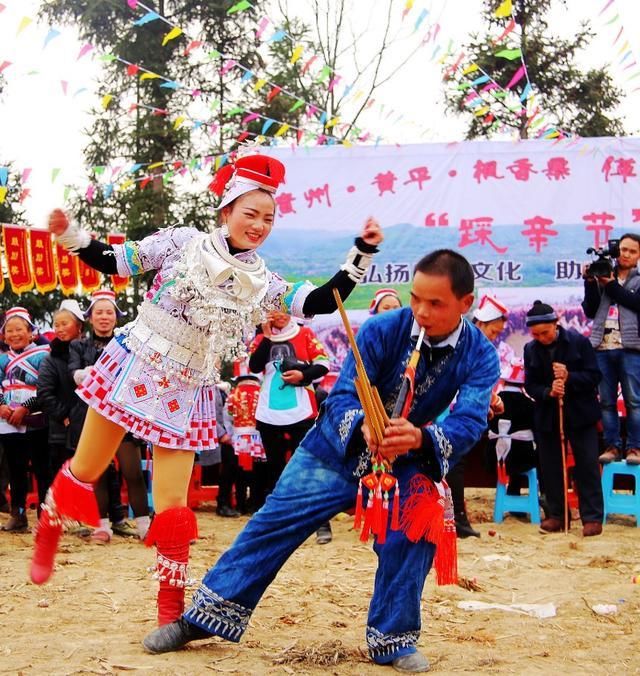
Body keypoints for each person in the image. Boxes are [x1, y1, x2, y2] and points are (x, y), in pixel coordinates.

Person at [30, 153, 383, 631]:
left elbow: (320, 300)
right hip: (134, 364)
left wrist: (361, 253)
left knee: (173, 504)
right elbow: (117, 261)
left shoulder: (263, 282)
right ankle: (50, 527)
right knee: (87, 468)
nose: (258, 226)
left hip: (188, 387)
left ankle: (170, 605)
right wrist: (72, 236)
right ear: (226, 210)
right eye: (250, 214)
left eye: (268, 219)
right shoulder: (182, 244)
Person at [142, 249, 499, 674]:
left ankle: (394, 638)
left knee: (416, 529)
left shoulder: (481, 354)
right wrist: (364, 424)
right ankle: (203, 617)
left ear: (466, 303)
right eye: (415, 298)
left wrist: (421, 437)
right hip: (335, 448)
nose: (421, 312)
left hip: (406, 458)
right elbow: (344, 393)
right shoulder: (383, 329)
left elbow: (470, 420)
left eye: (435, 303)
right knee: (273, 522)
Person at [68, 289, 150, 543]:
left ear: (116, 316)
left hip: (122, 416)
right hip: (91, 416)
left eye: (109, 312)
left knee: (133, 472)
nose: (104, 317)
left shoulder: (128, 343)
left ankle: (145, 527)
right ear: (90, 317)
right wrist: (95, 373)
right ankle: (101, 527)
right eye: (99, 312)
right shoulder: (78, 345)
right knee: (98, 474)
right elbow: (75, 375)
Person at [249, 311, 332, 542]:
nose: (280, 315)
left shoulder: (304, 334)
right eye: (274, 310)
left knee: (307, 464)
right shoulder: (261, 339)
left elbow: (323, 364)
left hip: (302, 411)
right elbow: (254, 366)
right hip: (269, 413)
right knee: (275, 468)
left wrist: (302, 375)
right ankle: (281, 523)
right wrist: (267, 336)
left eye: (284, 309)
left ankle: (320, 522)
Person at [523, 301, 604, 536]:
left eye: (545, 332)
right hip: (548, 417)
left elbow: (594, 376)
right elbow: (530, 385)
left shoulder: (579, 342)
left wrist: (570, 377)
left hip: (580, 414)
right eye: (536, 334)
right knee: (551, 467)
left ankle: (592, 517)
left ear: (555, 324)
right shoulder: (530, 349)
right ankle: (557, 515)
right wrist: (548, 392)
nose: (541, 338)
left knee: (587, 464)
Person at [445, 293, 507, 538]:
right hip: (448, 410)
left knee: (455, 462)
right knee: (454, 462)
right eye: (493, 331)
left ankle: (457, 518)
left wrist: (488, 400)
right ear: (481, 323)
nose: (494, 337)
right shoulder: (464, 343)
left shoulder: (476, 345)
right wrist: (488, 399)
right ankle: (456, 519)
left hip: (461, 408)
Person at [581, 233, 640, 464]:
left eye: (632, 251)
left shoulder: (636, 280)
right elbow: (591, 310)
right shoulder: (603, 273)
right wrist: (590, 283)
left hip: (631, 348)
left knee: (634, 401)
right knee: (606, 402)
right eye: (623, 249)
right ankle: (612, 446)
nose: (626, 255)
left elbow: (635, 303)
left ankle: (635, 447)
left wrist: (611, 285)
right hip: (602, 347)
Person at [0, 307, 51, 531]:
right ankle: (18, 514)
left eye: (19, 329)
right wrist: (1, 406)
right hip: (8, 421)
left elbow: (46, 386)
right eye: (9, 330)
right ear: (4, 336)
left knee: (42, 469)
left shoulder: (44, 355)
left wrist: (26, 408)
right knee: (15, 469)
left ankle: (45, 516)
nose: (14, 334)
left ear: (31, 333)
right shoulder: (3, 359)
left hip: (35, 419)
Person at [37, 300, 86, 475]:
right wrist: (65, 415)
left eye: (65, 323)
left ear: (79, 326)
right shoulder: (51, 360)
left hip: (91, 428)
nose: (60, 328)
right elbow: (44, 393)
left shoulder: (90, 353)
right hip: (62, 432)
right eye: (56, 325)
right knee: (65, 478)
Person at [225, 365, 265, 514]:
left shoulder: (233, 394)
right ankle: (255, 504)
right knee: (258, 473)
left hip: (238, 439)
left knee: (239, 473)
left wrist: (231, 435)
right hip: (258, 439)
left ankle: (240, 504)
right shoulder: (262, 393)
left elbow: (227, 417)